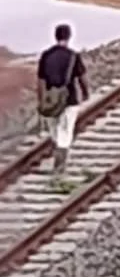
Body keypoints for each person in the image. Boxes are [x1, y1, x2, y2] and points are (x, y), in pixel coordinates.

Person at [37, 24, 88, 175]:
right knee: (65, 132)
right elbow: (82, 77)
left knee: (54, 131)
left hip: (51, 100)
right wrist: (86, 93)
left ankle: (57, 157)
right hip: (69, 99)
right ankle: (59, 166)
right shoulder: (73, 56)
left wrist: (42, 101)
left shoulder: (46, 55)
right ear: (68, 37)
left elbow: (40, 81)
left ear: (56, 36)